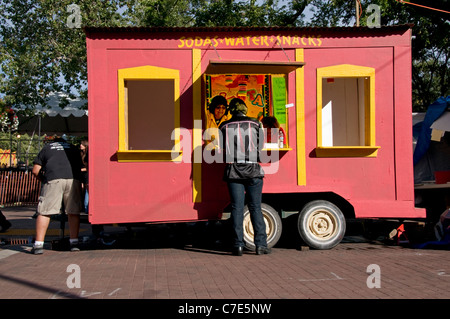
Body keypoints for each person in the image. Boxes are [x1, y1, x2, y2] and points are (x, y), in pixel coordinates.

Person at [219, 98, 270, 256]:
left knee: (237, 208)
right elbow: (261, 147)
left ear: (231, 110)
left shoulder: (223, 126)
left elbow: (222, 150)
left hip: (234, 170)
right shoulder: (255, 124)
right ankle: (261, 245)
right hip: (253, 169)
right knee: (255, 207)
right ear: (245, 108)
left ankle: (238, 246)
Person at [31, 136, 83, 254]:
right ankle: (74, 243)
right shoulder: (73, 148)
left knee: (45, 211)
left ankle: (38, 245)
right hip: (72, 179)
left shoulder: (47, 148)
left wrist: (43, 179)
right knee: (73, 212)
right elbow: (81, 167)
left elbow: (35, 170)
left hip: (53, 179)